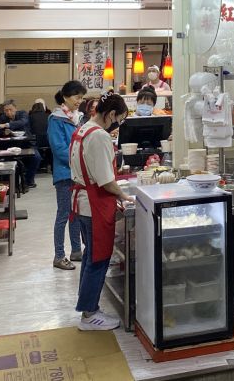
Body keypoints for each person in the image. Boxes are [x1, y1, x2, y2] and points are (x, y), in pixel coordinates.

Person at [70, 91, 133, 330]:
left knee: (90, 257)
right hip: (94, 204)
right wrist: (125, 195)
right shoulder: (99, 136)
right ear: (111, 114)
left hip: (83, 202)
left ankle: (87, 306)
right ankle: (89, 314)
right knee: (98, 259)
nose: (117, 125)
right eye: (119, 120)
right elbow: (106, 180)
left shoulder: (83, 130)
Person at [48, 82, 86, 270]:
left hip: (77, 173)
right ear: (65, 97)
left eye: (81, 98)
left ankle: (76, 251)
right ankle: (59, 256)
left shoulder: (77, 118)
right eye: (76, 97)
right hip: (64, 174)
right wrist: (80, 159)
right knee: (63, 214)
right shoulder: (56, 119)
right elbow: (59, 149)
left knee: (76, 214)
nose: (79, 101)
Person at [0, 100, 39, 187]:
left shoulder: (22, 114)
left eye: (10, 109)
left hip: (27, 143)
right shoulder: (2, 118)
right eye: (6, 110)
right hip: (11, 146)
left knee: (36, 157)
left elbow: (23, 122)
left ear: (15, 108)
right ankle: (12, 183)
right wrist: (4, 132)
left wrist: (7, 125)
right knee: (7, 159)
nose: (8, 112)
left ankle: (28, 180)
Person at [29, 99, 51, 173]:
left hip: (36, 141)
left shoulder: (30, 116)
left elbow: (29, 129)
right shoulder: (48, 116)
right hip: (48, 141)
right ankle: (49, 165)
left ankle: (38, 166)